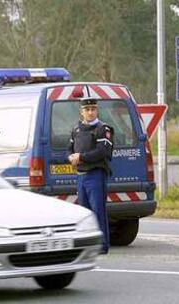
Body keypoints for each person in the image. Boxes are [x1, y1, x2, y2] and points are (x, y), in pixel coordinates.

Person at [68, 98, 113, 254]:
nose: (90, 112)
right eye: (87, 110)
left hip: (96, 175)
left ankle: (102, 245)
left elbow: (102, 152)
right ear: (82, 112)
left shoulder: (103, 129)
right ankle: (87, 245)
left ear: (97, 111)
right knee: (85, 213)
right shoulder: (76, 129)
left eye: (93, 109)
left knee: (98, 211)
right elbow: (70, 148)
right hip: (81, 176)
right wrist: (71, 157)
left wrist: (81, 157)